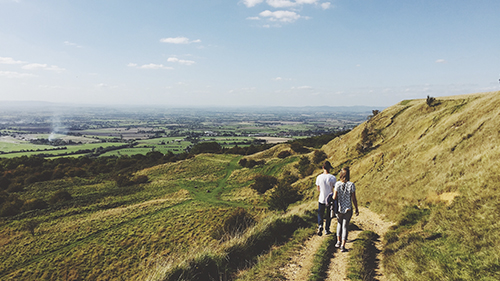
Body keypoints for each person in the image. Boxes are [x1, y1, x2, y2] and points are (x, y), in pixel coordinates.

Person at [333, 167, 359, 252]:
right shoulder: (351, 185)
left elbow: (334, 197)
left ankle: (338, 241)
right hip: (348, 208)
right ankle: (343, 245)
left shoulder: (337, 184)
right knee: (345, 226)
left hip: (339, 208)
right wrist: (356, 208)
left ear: (341, 174)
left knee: (339, 224)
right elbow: (354, 198)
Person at [316, 160, 336, 236]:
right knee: (328, 215)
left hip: (321, 198)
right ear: (329, 168)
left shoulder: (319, 177)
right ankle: (327, 229)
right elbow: (335, 188)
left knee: (320, 213)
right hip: (330, 199)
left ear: (323, 167)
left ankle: (320, 225)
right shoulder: (333, 178)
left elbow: (318, 189)